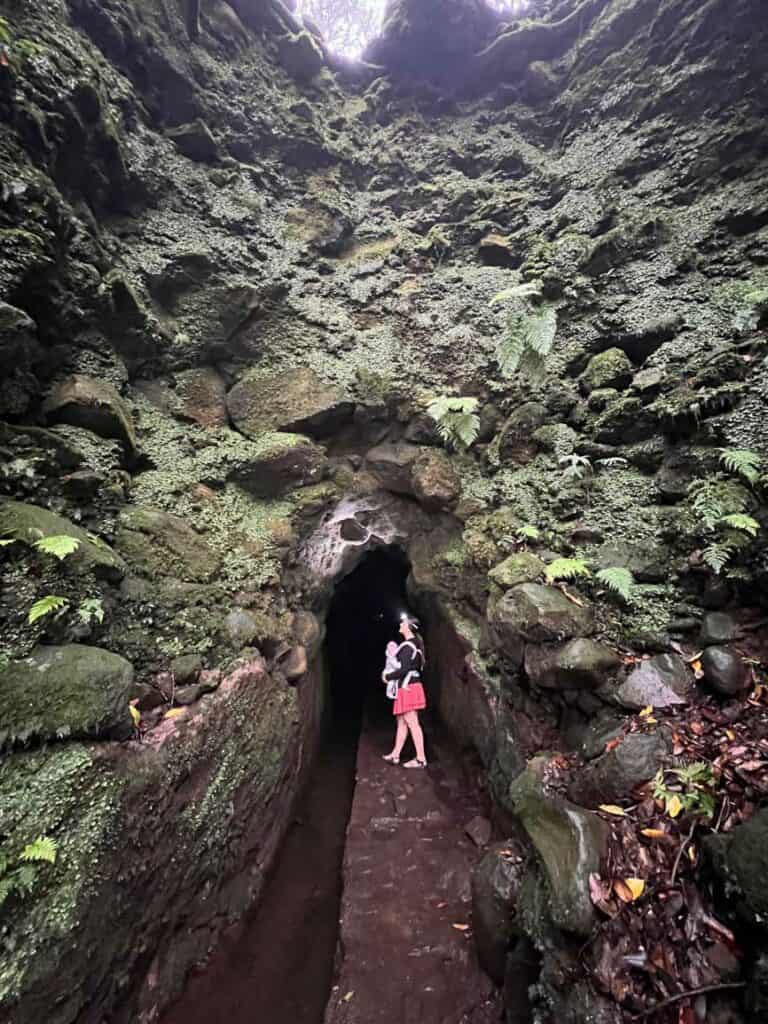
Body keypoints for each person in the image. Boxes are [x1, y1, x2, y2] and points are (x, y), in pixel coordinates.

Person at [382, 614, 428, 769]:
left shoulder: (409, 646)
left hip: (409, 688)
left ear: (409, 627)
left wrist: (387, 676)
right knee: (402, 722)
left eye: (404, 622)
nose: (401, 623)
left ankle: (421, 759)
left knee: (413, 723)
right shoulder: (413, 644)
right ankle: (396, 754)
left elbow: (404, 669)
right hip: (407, 687)